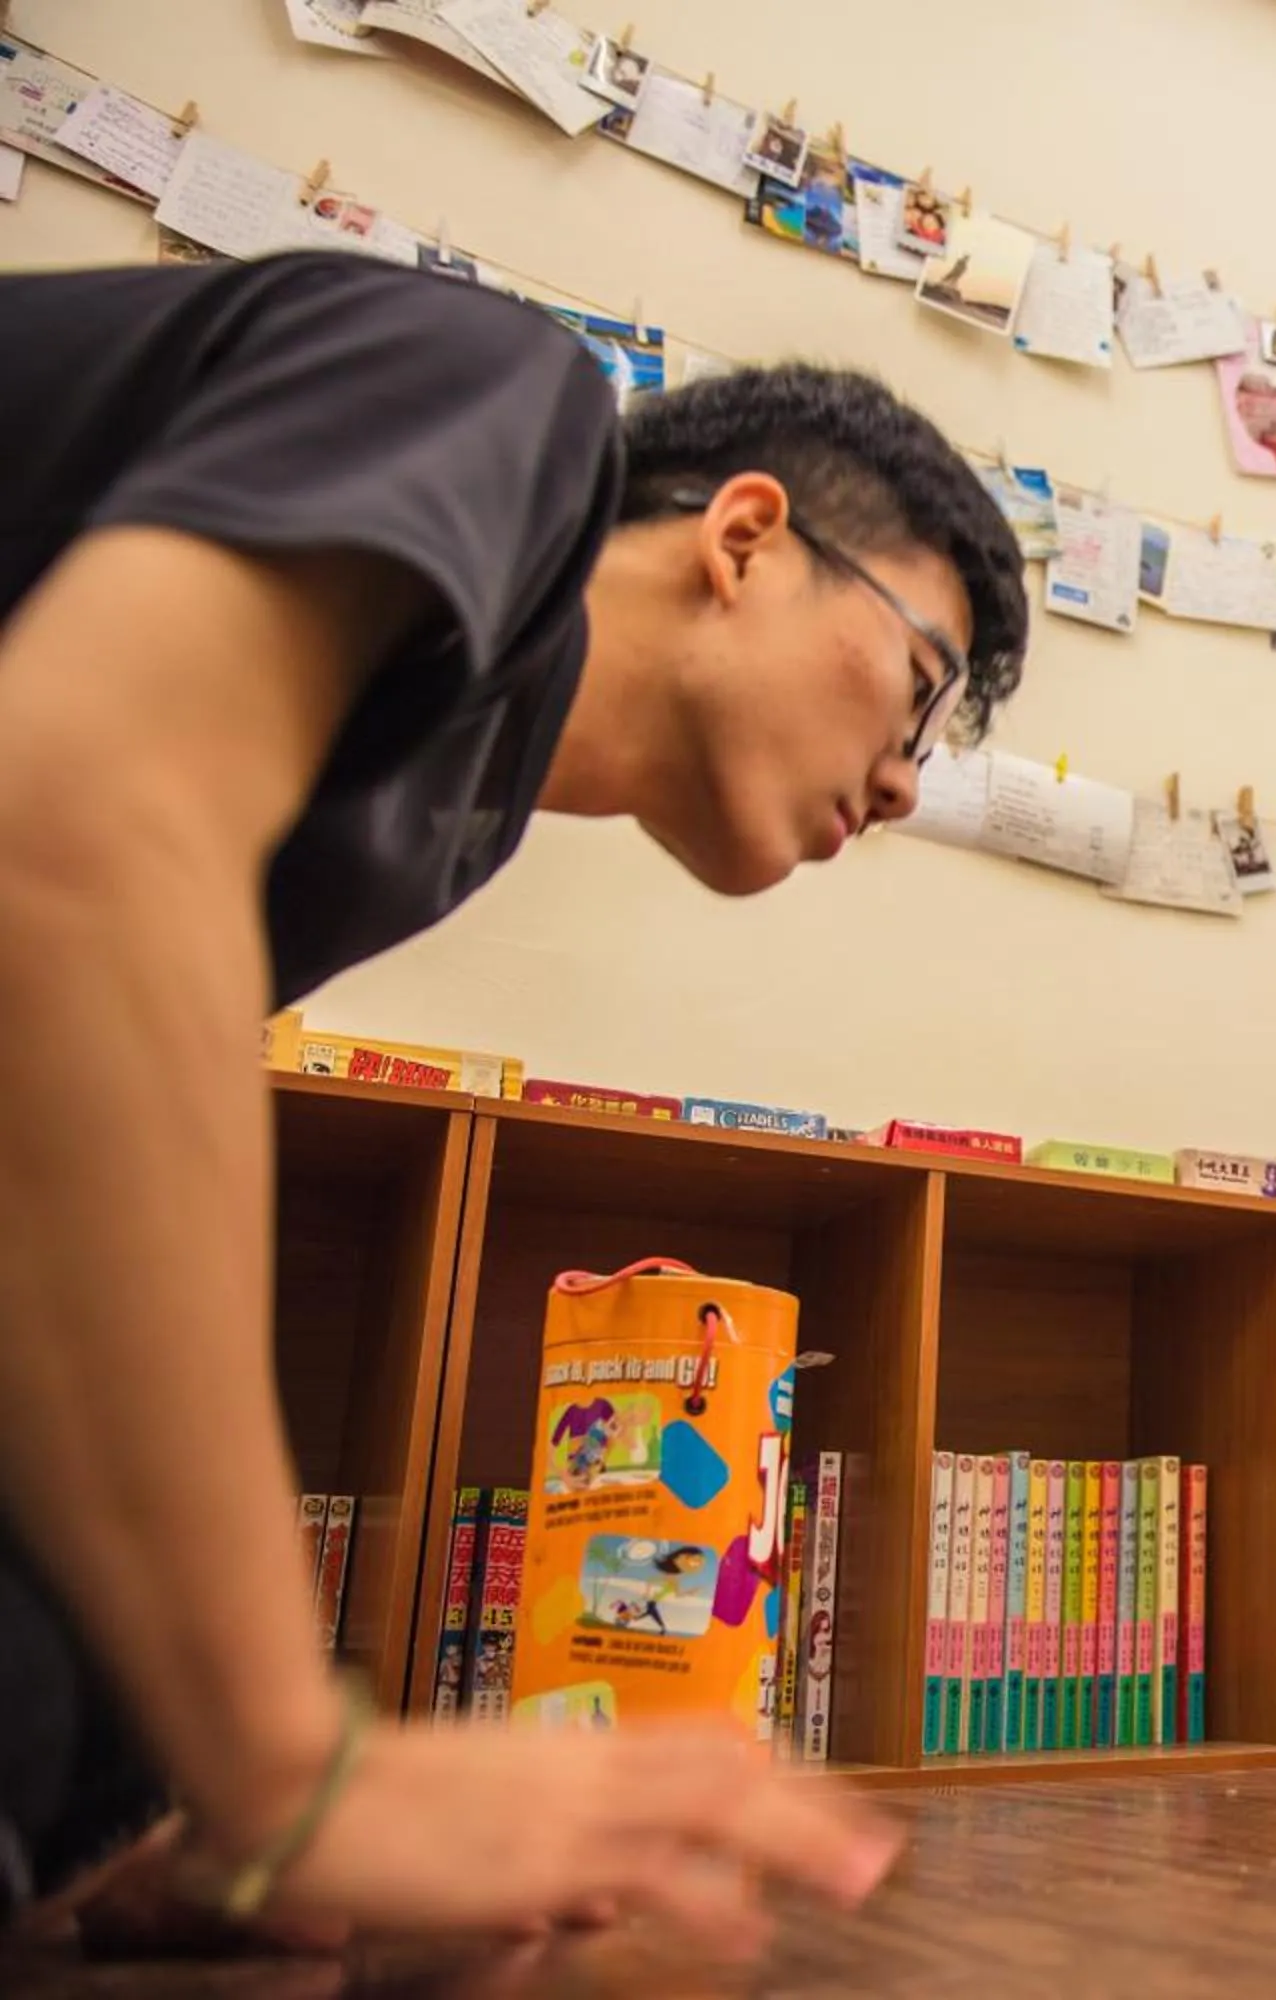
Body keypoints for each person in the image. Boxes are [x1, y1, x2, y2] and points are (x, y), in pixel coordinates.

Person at [0, 249, 1027, 1951]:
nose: (913, 781)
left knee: (92, 1697)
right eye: (922, 682)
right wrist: (284, 1774)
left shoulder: (450, 801)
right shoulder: (501, 391)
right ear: (747, 540)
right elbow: (64, 845)